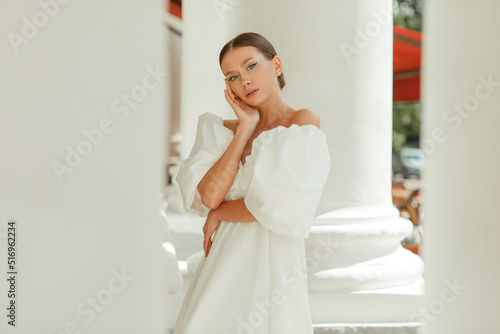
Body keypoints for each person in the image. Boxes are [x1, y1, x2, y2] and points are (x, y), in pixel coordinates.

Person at [172, 32, 331, 334]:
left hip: (273, 260)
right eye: (232, 76)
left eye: (250, 66)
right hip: (223, 258)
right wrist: (245, 128)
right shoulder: (223, 131)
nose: (243, 81)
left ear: (277, 65)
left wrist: (220, 213)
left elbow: (276, 205)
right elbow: (207, 197)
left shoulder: (301, 123)